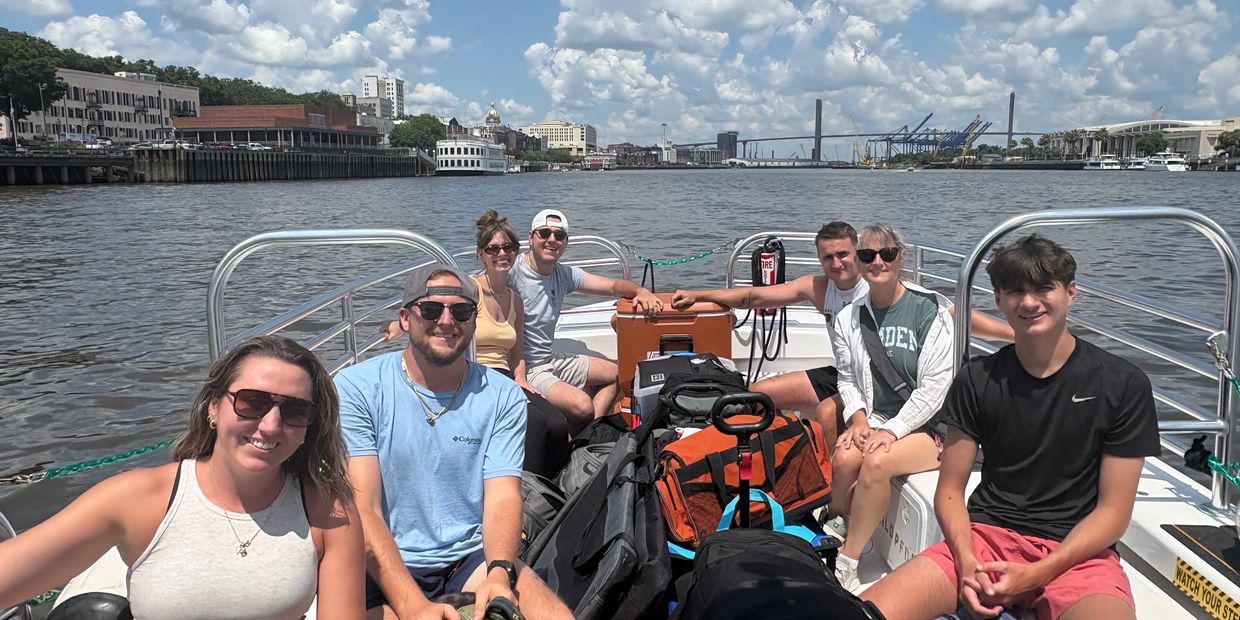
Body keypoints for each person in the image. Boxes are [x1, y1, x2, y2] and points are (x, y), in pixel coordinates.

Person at [862, 235, 1159, 620]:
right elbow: (950, 491)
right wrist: (967, 562)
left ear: (1071, 292)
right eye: (1015, 291)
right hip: (986, 540)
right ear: (999, 300)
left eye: (1043, 288)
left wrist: (1039, 572)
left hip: (1078, 554)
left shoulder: (1122, 384)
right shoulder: (978, 379)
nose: (1029, 302)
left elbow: (1113, 513)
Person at [0, 335, 365, 619]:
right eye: (252, 402)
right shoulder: (140, 499)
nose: (270, 425)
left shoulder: (327, 510)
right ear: (213, 408)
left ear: (309, 427)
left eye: (295, 410)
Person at [336, 264, 572, 620]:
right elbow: (363, 508)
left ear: (473, 321)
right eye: (431, 309)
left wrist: (499, 571)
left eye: (461, 311)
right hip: (381, 562)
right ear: (404, 318)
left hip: (469, 557)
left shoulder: (502, 395)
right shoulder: (357, 388)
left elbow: (503, 495)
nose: (446, 321)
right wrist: (414, 607)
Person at [670, 221, 1012, 445]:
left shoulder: (885, 284)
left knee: (826, 412)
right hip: (847, 374)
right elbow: (752, 296)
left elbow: (960, 317)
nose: (837, 264)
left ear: (859, 256)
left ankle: (829, 479)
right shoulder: (819, 288)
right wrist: (700, 295)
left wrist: (1014, 335)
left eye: (844, 255)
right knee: (758, 392)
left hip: (884, 383)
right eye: (828, 257)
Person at [379, 211, 572, 477]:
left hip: (505, 376)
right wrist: (397, 326)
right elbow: (437, 313)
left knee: (559, 425)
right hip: (474, 373)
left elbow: (517, 354)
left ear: (516, 252)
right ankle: (526, 496)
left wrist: (522, 380)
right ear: (480, 254)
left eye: (508, 248)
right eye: (493, 249)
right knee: (534, 424)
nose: (501, 254)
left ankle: (551, 495)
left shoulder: (515, 299)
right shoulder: (470, 290)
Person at [828, 224, 955, 592]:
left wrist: (890, 431)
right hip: (881, 417)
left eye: (887, 254)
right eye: (867, 255)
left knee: (877, 461)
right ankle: (841, 521)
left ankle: (848, 562)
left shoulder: (929, 310)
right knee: (845, 455)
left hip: (933, 426)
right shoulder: (848, 318)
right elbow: (847, 379)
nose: (877, 261)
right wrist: (859, 418)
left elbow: (936, 388)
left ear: (902, 258)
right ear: (859, 262)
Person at [509, 208, 662, 433]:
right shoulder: (513, 273)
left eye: (559, 236)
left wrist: (640, 291)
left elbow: (612, 286)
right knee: (582, 406)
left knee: (620, 374)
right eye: (544, 233)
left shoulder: (563, 274)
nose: (552, 240)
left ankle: (588, 438)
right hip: (527, 366)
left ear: (566, 242)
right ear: (531, 238)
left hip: (550, 358)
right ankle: (579, 442)